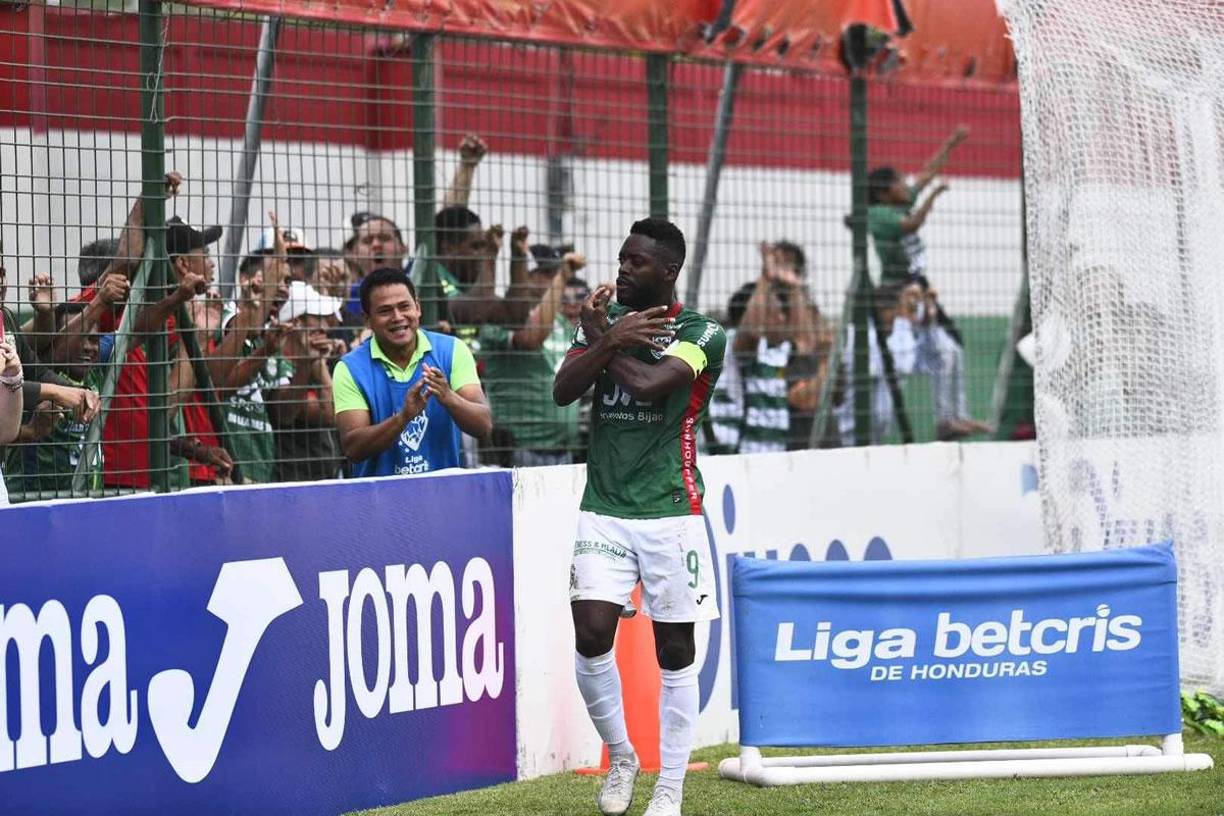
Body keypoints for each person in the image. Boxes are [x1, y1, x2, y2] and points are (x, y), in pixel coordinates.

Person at [553, 218, 726, 816]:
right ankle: (623, 757)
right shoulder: (610, 322)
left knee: (674, 649)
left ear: (669, 271)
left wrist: (605, 336)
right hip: (604, 507)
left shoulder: (702, 332)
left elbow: (652, 385)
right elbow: (563, 390)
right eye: (622, 258)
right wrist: (604, 338)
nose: (623, 268)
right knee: (591, 634)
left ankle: (670, 787)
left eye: (637, 262)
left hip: (672, 508)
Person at [333, 267, 492, 476]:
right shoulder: (350, 368)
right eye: (385, 311)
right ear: (367, 320)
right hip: (378, 496)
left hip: (441, 493)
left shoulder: (453, 350)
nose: (397, 317)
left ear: (417, 307)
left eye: (404, 306)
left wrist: (448, 397)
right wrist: (403, 417)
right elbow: (353, 448)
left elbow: (483, 425)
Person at [479, 230, 587, 466]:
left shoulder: (561, 322)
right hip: (520, 450)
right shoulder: (499, 319)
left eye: (556, 273)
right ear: (524, 275)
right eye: (547, 273)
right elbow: (531, 338)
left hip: (565, 451)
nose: (554, 279)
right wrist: (563, 276)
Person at [723, 241, 824, 454]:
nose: (782, 318)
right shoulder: (729, 345)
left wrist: (793, 286)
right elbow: (751, 331)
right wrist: (766, 278)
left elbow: (805, 342)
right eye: (775, 312)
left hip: (769, 460)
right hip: (734, 459)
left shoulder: (776, 352)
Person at [867, 125, 968, 284]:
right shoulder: (878, 213)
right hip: (894, 284)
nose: (905, 184)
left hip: (913, 278)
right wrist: (934, 194)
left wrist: (951, 143)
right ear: (882, 193)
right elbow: (912, 224)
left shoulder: (899, 202)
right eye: (898, 182)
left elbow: (928, 173)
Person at [270, 280, 344, 481]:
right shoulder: (276, 362)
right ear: (296, 322)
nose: (324, 326)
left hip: (326, 479)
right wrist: (314, 362)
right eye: (317, 317)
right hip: (293, 480)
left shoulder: (314, 365)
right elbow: (330, 414)